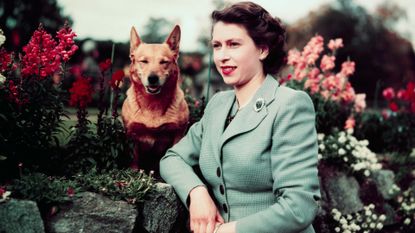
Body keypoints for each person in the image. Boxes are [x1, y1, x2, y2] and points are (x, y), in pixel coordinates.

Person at [160, 2, 321, 233]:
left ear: (262, 49)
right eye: (217, 46)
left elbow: (300, 207)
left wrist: (229, 230)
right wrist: (197, 193)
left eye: (233, 44)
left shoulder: (290, 105)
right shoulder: (218, 105)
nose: (222, 56)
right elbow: (173, 158)